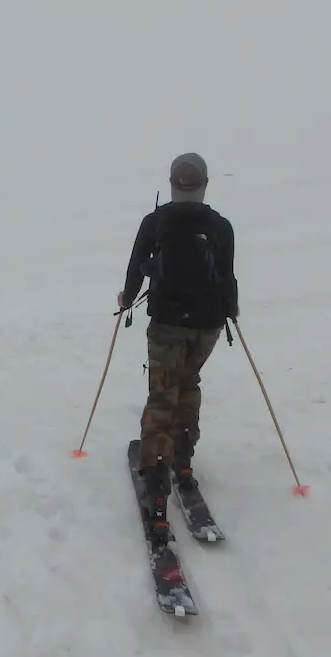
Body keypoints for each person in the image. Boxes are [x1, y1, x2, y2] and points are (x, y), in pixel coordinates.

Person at [116, 152, 238, 533]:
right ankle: (183, 461)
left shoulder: (156, 221)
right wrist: (229, 311)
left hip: (167, 323)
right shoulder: (221, 226)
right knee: (188, 385)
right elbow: (228, 277)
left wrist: (127, 297)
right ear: (204, 184)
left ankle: (156, 487)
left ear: (172, 183)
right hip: (207, 327)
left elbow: (137, 265)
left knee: (162, 394)